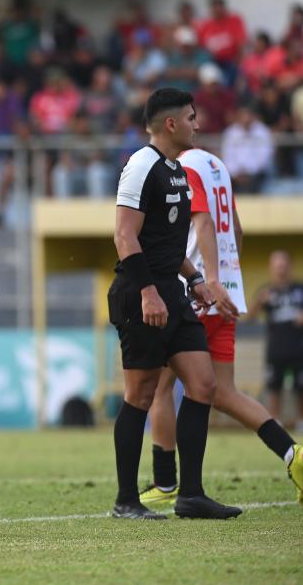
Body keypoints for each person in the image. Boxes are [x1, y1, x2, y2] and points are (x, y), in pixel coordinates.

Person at [141, 151, 302, 508]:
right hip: (226, 293)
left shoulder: (182, 167)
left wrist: (209, 279)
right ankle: (294, 453)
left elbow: (202, 223)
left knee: (159, 386)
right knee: (224, 392)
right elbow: (237, 229)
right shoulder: (219, 167)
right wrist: (227, 281)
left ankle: (166, 482)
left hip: (196, 291)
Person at [108, 87, 241, 520]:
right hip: (140, 292)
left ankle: (191, 495)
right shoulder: (141, 167)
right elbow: (125, 236)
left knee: (202, 385)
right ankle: (127, 500)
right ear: (170, 124)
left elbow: (167, 245)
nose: (196, 124)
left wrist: (196, 279)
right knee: (140, 394)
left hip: (174, 291)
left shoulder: (178, 171)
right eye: (191, 117)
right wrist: (148, 292)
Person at [247, 251, 303, 431]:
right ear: (271, 268)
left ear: (289, 266)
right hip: (275, 348)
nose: (281, 269)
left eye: (284, 265)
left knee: (300, 387)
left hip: (299, 348)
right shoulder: (266, 291)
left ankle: (301, 422)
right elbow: (250, 318)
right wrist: (258, 301)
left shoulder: (299, 290)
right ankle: (275, 423)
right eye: (277, 266)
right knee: (273, 387)